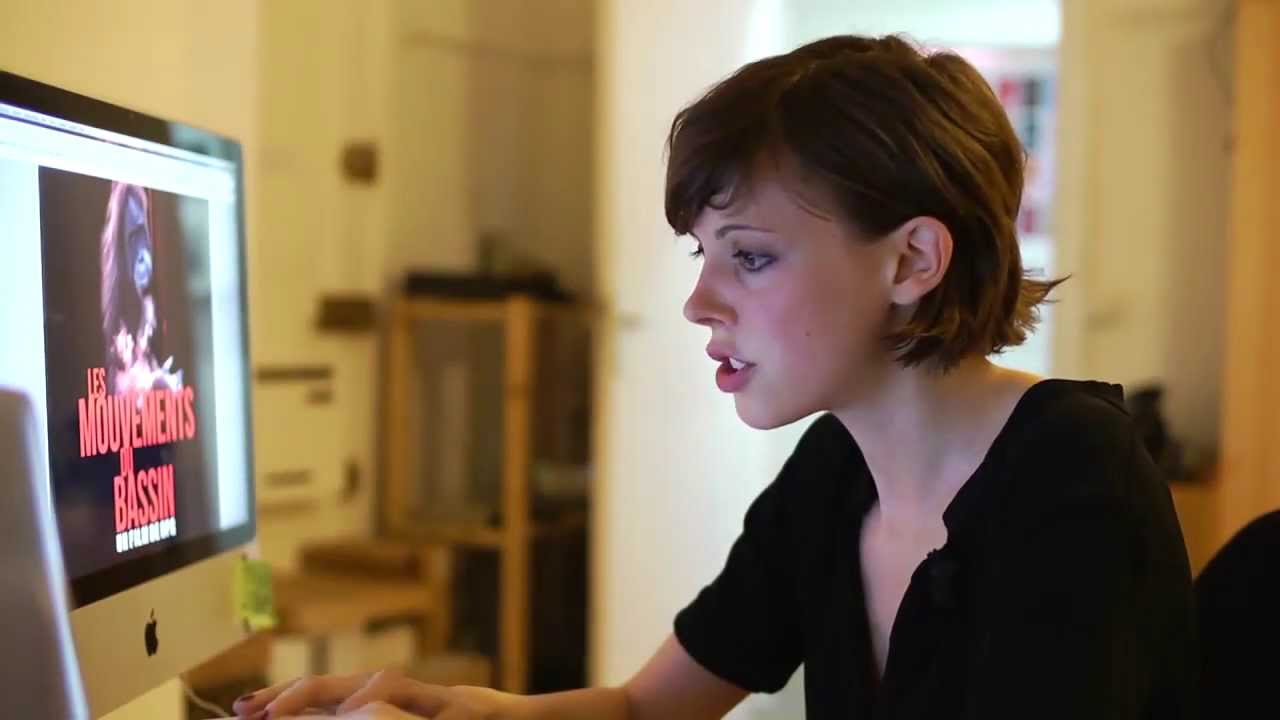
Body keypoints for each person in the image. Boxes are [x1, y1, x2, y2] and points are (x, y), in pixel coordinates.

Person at [234, 34, 1198, 719]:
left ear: (911, 261)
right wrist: (467, 711)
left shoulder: (1073, 478)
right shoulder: (836, 473)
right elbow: (645, 710)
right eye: (704, 254)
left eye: (752, 257)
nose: (700, 303)